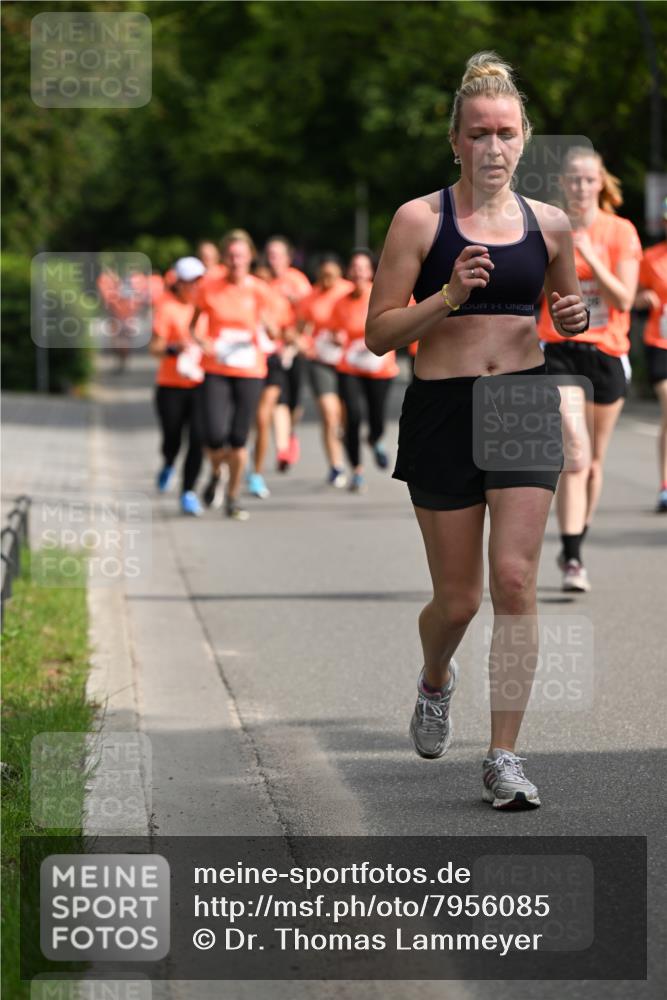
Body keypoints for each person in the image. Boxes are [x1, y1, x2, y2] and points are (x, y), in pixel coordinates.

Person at [365, 51, 588, 809]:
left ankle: (503, 757)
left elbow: (566, 307)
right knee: (457, 600)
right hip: (442, 407)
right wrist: (447, 297)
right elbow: (378, 335)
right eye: (478, 134)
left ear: (523, 139)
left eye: (505, 133)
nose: (493, 148)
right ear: (454, 140)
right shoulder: (418, 220)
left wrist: (573, 317)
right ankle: (435, 680)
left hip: (521, 403)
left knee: (516, 581)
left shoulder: (549, 224)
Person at [537, 146, 642, 591]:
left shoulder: (621, 231)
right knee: (574, 447)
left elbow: (622, 299)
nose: (580, 187)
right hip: (560, 348)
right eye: (573, 179)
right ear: (563, 183)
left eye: (588, 179)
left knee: (594, 462)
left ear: (601, 183)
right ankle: (574, 560)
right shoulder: (548, 229)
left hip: (607, 350)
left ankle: (576, 537)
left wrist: (590, 256)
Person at [190, 230, 277, 521]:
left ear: (250, 257)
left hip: (250, 370)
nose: (236, 260)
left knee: (238, 439)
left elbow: (276, 330)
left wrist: (269, 326)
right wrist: (201, 341)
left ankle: (232, 496)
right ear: (224, 258)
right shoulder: (209, 287)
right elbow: (194, 324)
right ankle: (216, 472)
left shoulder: (260, 290)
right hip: (216, 367)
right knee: (214, 435)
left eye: (241, 255)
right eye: (231, 255)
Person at [332, 249, 398, 493]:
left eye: (363, 268)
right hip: (349, 366)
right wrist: (336, 336)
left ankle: (374, 438)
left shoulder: (381, 295)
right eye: (354, 268)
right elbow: (333, 328)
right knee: (353, 415)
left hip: (379, 367)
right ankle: (357, 471)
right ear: (349, 272)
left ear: (371, 271)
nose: (358, 272)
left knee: (376, 418)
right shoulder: (340, 301)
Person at [150, 257, 207, 516]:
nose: (196, 287)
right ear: (180, 283)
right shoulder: (167, 307)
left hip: (202, 384)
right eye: (190, 282)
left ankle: (188, 491)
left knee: (198, 439)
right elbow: (155, 348)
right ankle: (168, 462)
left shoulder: (208, 307)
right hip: (171, 384)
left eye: (199, 281)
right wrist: (176, 348)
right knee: (172, 439)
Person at [295, 255, 354, 486]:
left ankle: (349, 452)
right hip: (320, 361)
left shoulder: (350, 291)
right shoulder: (310, 298)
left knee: (346, 416)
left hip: (349, 360)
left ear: (340, 274)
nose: (327, 281)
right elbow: (298, 330)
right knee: (330, 416)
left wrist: (345, 336)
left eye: (331, 276)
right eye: (323, 276)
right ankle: (336, 466)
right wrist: (304, 344)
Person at [246, 258, 295, 499]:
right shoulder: (241, 300)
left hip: (272, 363)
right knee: (246, 421)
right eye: (258, 279)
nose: (262, 284)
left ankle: (256, 473)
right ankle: (236, 460)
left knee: (262, 417)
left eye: (267, 280)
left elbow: (283, 332)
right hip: (245, 363)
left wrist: (269, 325)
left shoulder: (278, 302)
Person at [265, 236, 313, 471]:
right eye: (269, 255)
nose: (272, 260)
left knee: (294, 401)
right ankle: (283, 448)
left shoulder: (297, 280)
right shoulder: (263, 281)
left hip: (296, 349)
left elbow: (311, 315)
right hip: (274, 349)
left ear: (287, 257)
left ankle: (290, 433)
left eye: (277, 255)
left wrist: (297, 343)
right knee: (278, 398)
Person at [635, 197, 667, 513]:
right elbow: (631, 294)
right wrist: (641, 297)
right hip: (660, 342)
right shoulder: (652, 258)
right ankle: (666, 486)